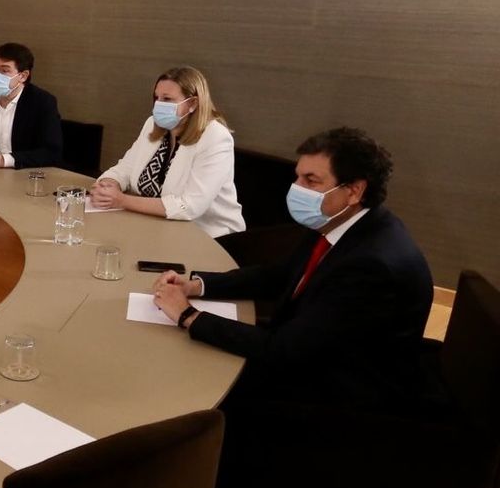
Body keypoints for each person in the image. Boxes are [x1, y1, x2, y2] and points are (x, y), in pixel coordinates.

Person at [153, 127, 431, 409]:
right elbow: (281, 275)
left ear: (354, 191)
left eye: (311, 180)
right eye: (297, 177)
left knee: (183, 383)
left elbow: (285, 350)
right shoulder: (339, 219)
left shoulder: (371, 266)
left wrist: (188, 316)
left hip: (337, 394)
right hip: (305, 344)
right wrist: (198, 286)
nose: (296, 188)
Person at [90, 66, 243, 237]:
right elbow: (125, 168)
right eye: (157, 98)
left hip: (208, 236)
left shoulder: (215, 137)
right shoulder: (153, 124)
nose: (159, 105)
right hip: (156, 227)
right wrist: (109, 184)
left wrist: (122, 200)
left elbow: (189, 206)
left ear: (192, 103)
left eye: (167, 99)